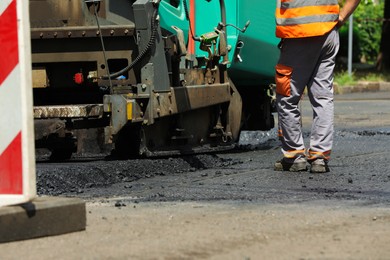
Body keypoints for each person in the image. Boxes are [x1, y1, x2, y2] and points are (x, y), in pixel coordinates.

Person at [274, 0, 361, 173]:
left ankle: (294, 156)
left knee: (287, 96)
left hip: (299, 33)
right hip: (328, 33)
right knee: (323, 98)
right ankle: (319, 157)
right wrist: (342, 16)